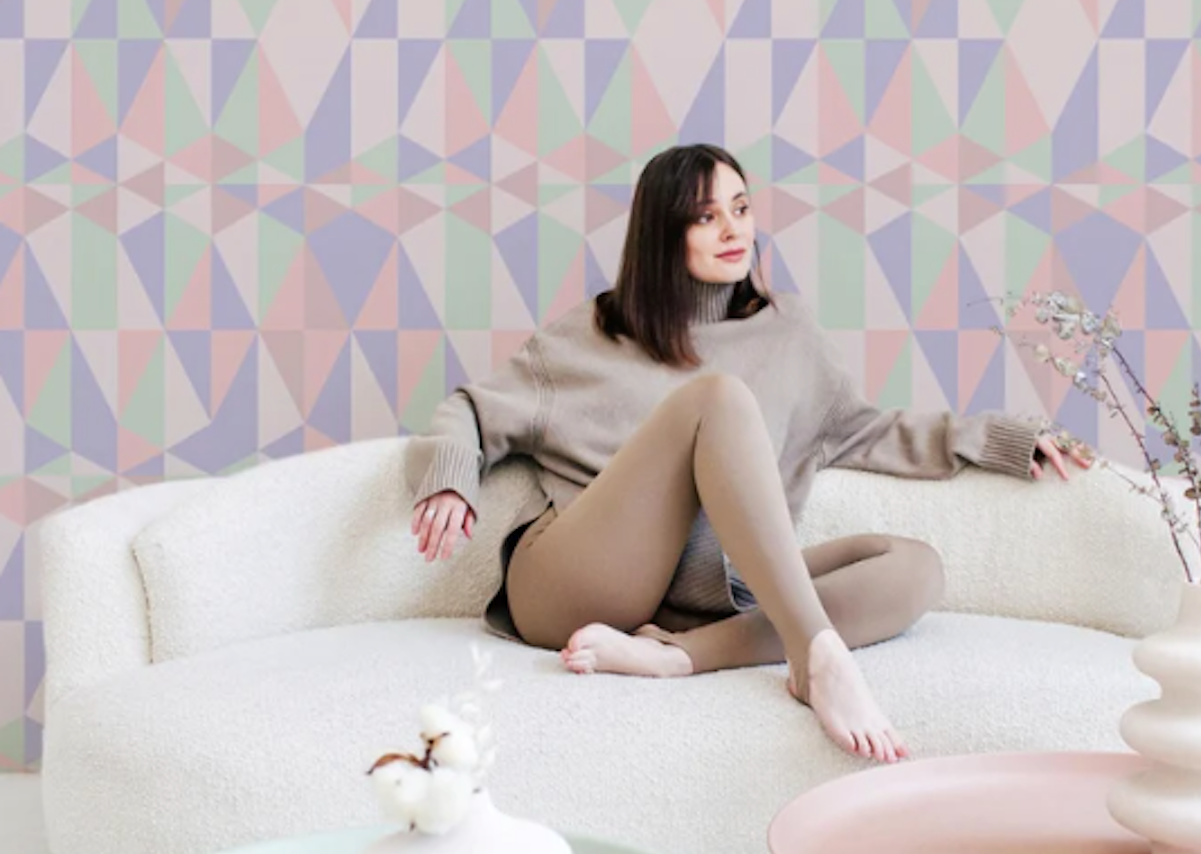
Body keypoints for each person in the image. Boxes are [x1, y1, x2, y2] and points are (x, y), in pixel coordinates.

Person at [406, 145, 1091, 764]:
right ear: (662, 233)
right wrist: (449, 481)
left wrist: (997, 438)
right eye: (707, 217)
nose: (735, 231)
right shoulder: (590, 334)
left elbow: (864, 429)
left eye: (740, 208)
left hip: (705, 602)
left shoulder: (788, 332)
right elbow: (468, 407)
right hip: (575, 582)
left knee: (915, 568)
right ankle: (818, 657)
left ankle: (677, 658)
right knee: (719, 400)